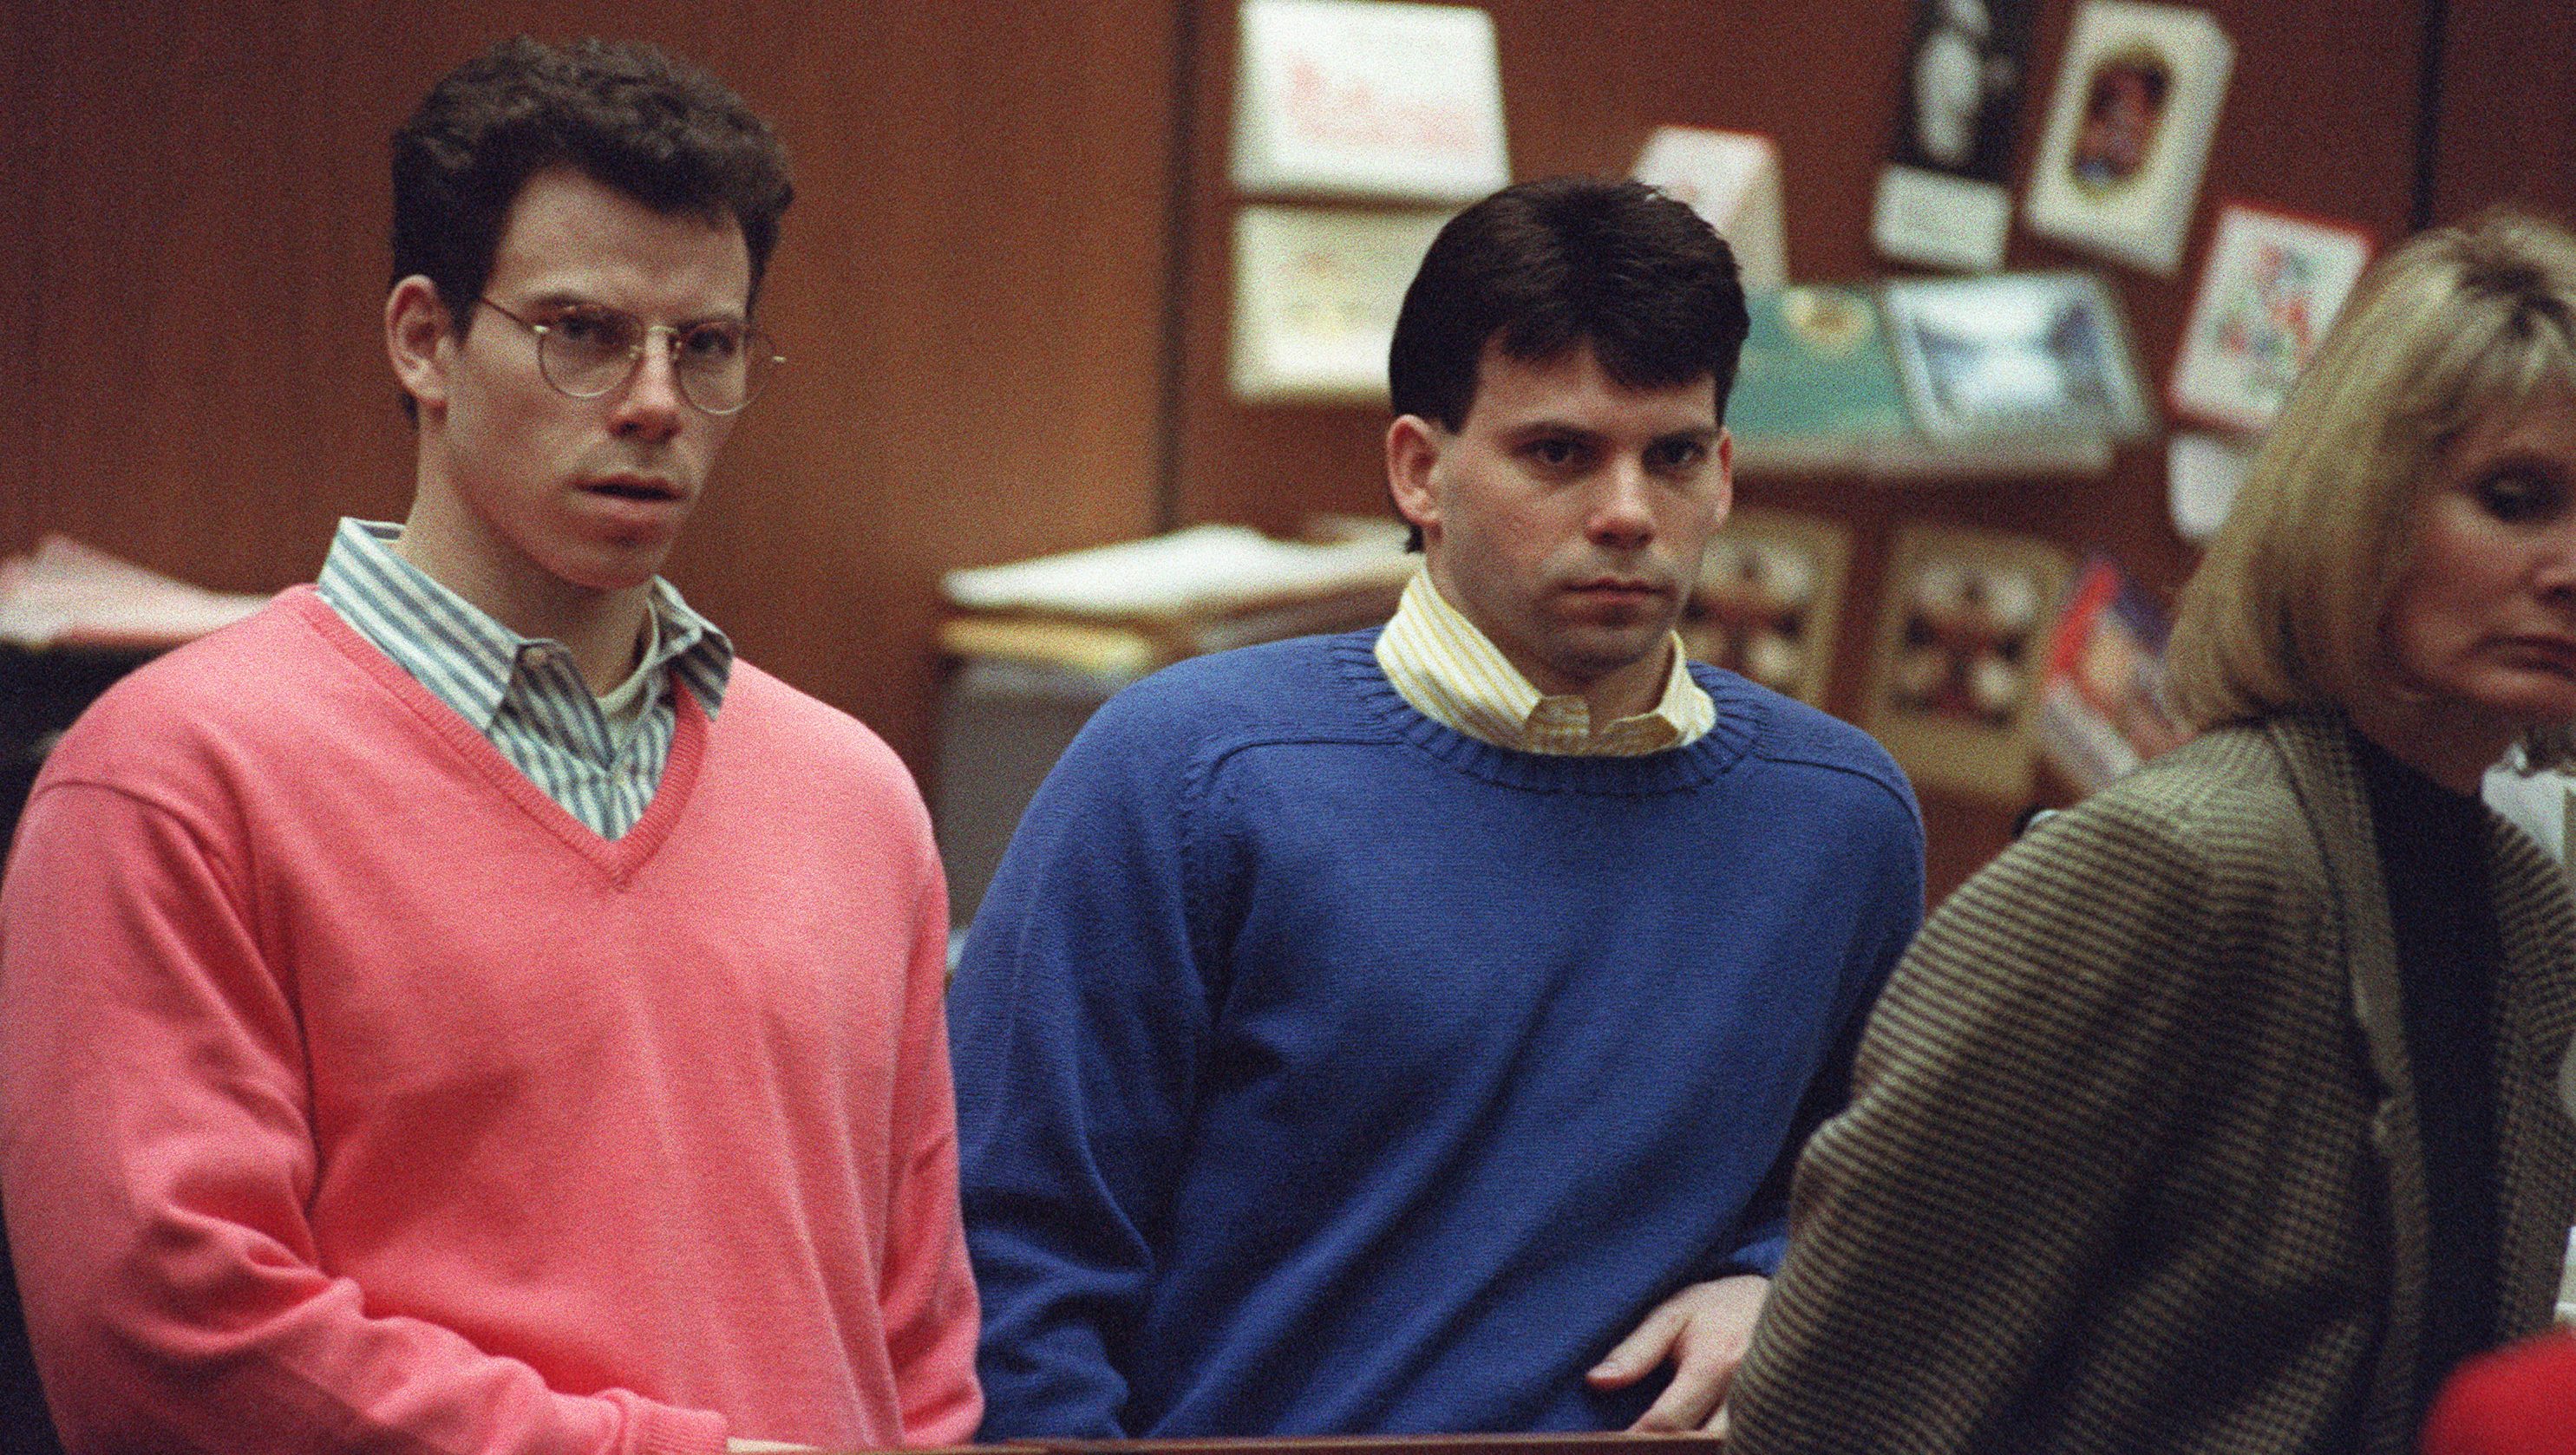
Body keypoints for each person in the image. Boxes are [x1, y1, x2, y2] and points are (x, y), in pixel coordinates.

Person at [0, 37, 979, 1454]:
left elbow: (919, 1348)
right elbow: (169, 1333)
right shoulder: (168, 776)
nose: (654, 401)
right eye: (582, 331)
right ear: (424, 339)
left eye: (704, 347)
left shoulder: (856, 796)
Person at [949, 176, 1925, 1439]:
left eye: (1671, 454)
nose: (1627, 512)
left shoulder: (1839, 818)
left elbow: (1895, 1206)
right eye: (1558, 453)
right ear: (1419, 469)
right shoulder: (1190, 771)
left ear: (1724, 474)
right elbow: (1006, 1261)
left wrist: (1775, 1283)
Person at [1725, 209, 2576, 1455]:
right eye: (2514, 498)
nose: (2567, 563)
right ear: (2363, 510)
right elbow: (1834, 1407)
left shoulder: (2525, 903)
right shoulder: (2169, 868)